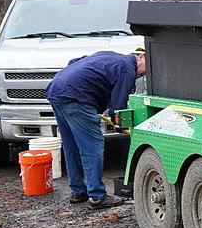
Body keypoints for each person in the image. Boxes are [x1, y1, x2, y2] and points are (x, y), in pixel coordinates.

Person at [45, 47, 145, 210]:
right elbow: (117, 107)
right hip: (76, 97)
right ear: (140, 56)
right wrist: (121, 126)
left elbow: (74, 62)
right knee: (92, 146)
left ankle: (78, 191)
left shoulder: (109, 55)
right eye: (144, 71)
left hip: (57, 89)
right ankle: (97, 196)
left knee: (72, 146)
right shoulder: (128, 68)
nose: (142, 75)